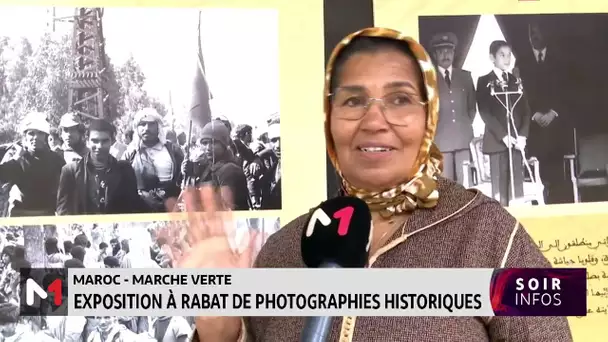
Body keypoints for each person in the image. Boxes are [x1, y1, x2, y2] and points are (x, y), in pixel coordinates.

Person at [171, 28, 572, 341]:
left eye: (399, 99)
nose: (375, 120)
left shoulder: (494, 235)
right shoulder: (283, 250)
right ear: (329, 120)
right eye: (352, 101)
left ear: (428, 115)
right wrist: (221, 330)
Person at [516, 22, 573, 204]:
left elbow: (568, 89)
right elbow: (520, 93)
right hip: (534, 128)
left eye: (538, 31)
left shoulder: (560, 58)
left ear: (546, 32)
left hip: (556, 126)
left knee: (557, 175)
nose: (535, 35)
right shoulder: (521, 61)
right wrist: (534, 114)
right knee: (538, 176)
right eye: (531, 32)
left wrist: (553, 112)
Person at [476, 40, 531, 206]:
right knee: (500, 195)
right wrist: (503, 136)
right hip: (497, 143)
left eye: (509, 55)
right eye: (502, 55)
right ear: (492, 57)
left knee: (517, 191)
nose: (507, 59)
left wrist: (522, 136)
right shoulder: (484, 81)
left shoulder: (516, 80)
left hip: (516, 144)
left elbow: (526, 110)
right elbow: (485, 112)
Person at [56, 119, 144, 215]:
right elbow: (63, 212)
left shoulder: (124, 170)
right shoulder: (70, 172)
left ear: (112, 141)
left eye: (104, 141)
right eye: (95, 141)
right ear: (87, 140)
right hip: (83, 229)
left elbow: (133, 207)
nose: (99, 146)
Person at [429, 32, 476, 186]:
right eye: (441, 51)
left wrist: (463, 125)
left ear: (454, 53)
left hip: (463, 139)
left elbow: (471, 108)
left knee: (465, 185)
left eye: (449, 51)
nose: (445, 55)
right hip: (441, 140)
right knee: (446, 186)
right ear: (435, 55)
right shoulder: (428, 79)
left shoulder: (465, 77)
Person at [0, 112, 65, 216]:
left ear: (45, 136)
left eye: (40, 133)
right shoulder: (19, 159)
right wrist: (16, 158)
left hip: (47, 214)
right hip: (20, 214)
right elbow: (2, 174)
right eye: (31, 133)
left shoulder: (56, 159)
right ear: (25, 136)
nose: (35, 137)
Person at [122, 108, 184, 212]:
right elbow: (122, 184)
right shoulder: (130, 153)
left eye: (151, 124)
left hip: (171, 208)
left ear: (158, 127)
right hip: (140, 209)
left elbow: (183, 179)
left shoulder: (173, 150)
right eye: (142, 124)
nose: (146, 128)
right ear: (137, 128)